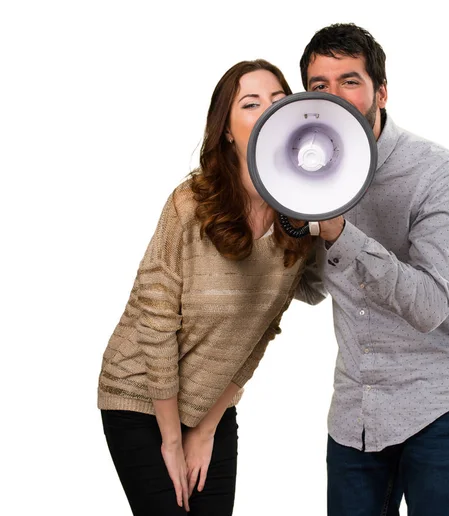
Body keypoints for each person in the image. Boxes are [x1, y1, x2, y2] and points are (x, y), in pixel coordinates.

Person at [97, 59, 313, 516]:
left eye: (279, 101)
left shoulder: (300, 217)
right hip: (140, 396)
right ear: (229, 130)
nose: (269, 112)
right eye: (251, 104)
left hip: (211, 404)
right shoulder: (191, 204)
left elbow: (263, 330)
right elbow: (155, 324)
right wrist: (173, 440)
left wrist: (208, 427)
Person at [294, 23, 449, 516]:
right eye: (320, 87)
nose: (335, 98)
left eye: (350, 81)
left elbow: (429, 306)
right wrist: (287, 234)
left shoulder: (436, 172)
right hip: (355, 412)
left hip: (438, 403)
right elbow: (313, 290)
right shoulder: (301, 172)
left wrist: (341, 232)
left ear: (381, 91)